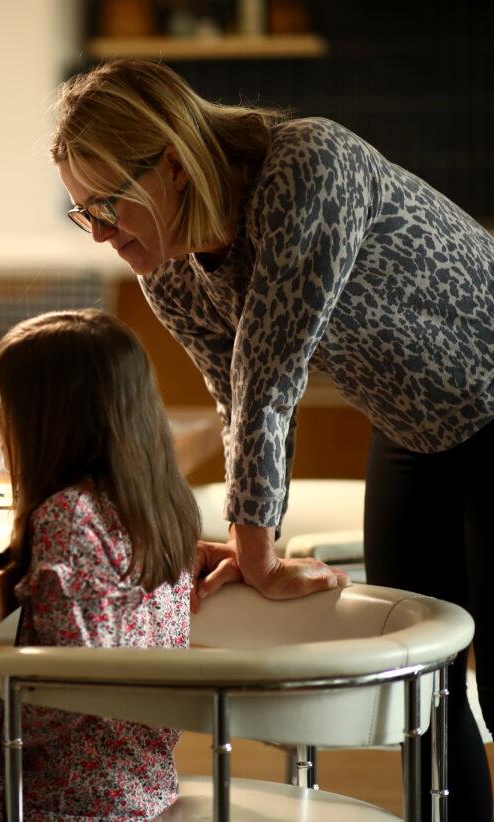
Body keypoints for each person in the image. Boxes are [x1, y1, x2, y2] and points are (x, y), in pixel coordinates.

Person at [51, 57, 494, 818]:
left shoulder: (309, 165)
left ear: (174, 166)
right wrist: (257, 538)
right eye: (81, 212)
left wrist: (254, 547)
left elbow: (271, 371)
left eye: (109, 205)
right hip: (411, 429)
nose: (99, 234)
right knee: (426, 692)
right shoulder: (172, 267)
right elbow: (235, 394)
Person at [0, 309, 205, 819]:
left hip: (69, 798)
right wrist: (15, 675)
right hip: (142, 778)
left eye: (4, 405)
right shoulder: (159, 503)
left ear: (45, 419)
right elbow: (92, 651)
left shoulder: (69, 520)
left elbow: (65, 692)